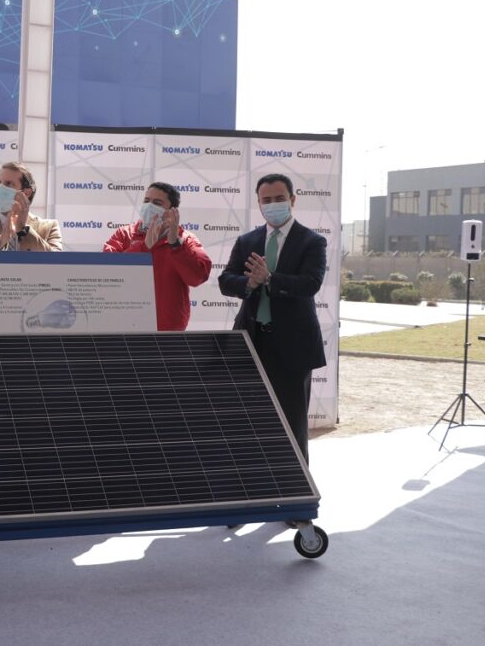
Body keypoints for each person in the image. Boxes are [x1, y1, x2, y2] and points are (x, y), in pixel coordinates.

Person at [218, 173, 327, 463]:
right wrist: (250, 283)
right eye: (266, 200)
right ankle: (253, 476)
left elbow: (311, 284)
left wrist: (270, 278)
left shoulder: (312, 241)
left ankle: (294, 483)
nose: (272, 204)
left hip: (293, 348)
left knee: (291, 424)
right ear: (258, 203)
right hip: (251, 343)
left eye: (279, 198)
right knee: (247, 420)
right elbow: (226, 281)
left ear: (292, 200)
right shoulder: (247, 240)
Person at [102, 182, 212, 331]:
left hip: (168, 330)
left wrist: (176, 244)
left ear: (172, 211)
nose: (149, 206)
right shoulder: (124, 234)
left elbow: (197, 278)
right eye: (146, 201)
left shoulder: (186, 239)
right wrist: (144, 246)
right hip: (126, 325)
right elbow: (108, 272)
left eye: (157, 203)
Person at [0, 162, 62, 251]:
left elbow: (56, 261)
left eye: (9, 184)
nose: (0, 188)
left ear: (26, 193)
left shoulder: (49, 227)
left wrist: (23, 229)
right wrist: (2, 239)